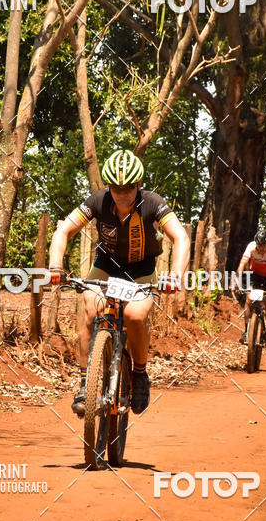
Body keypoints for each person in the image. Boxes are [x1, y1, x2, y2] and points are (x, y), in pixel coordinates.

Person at [48, 149, 190, 417]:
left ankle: (139, 375)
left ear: (139, 185)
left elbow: (180, 237)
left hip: (141, 269)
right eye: (116, 188)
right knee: (91, 309)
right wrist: (55, 266)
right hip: (106, 266)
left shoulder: (153, 203)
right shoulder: (98, 201)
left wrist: (175, 275)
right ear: (108, 187)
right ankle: (84, 384)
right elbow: (64, 229)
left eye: (128, 188)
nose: (122, 194)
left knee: (134, 316)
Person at [232, 228, 266, 348]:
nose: (261, 248)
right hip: (255, 275)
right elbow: (242, 265)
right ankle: (246, 331)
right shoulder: (251, 247)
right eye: (259, 245)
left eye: (263, 245)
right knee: (248, 299)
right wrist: (237, 283)